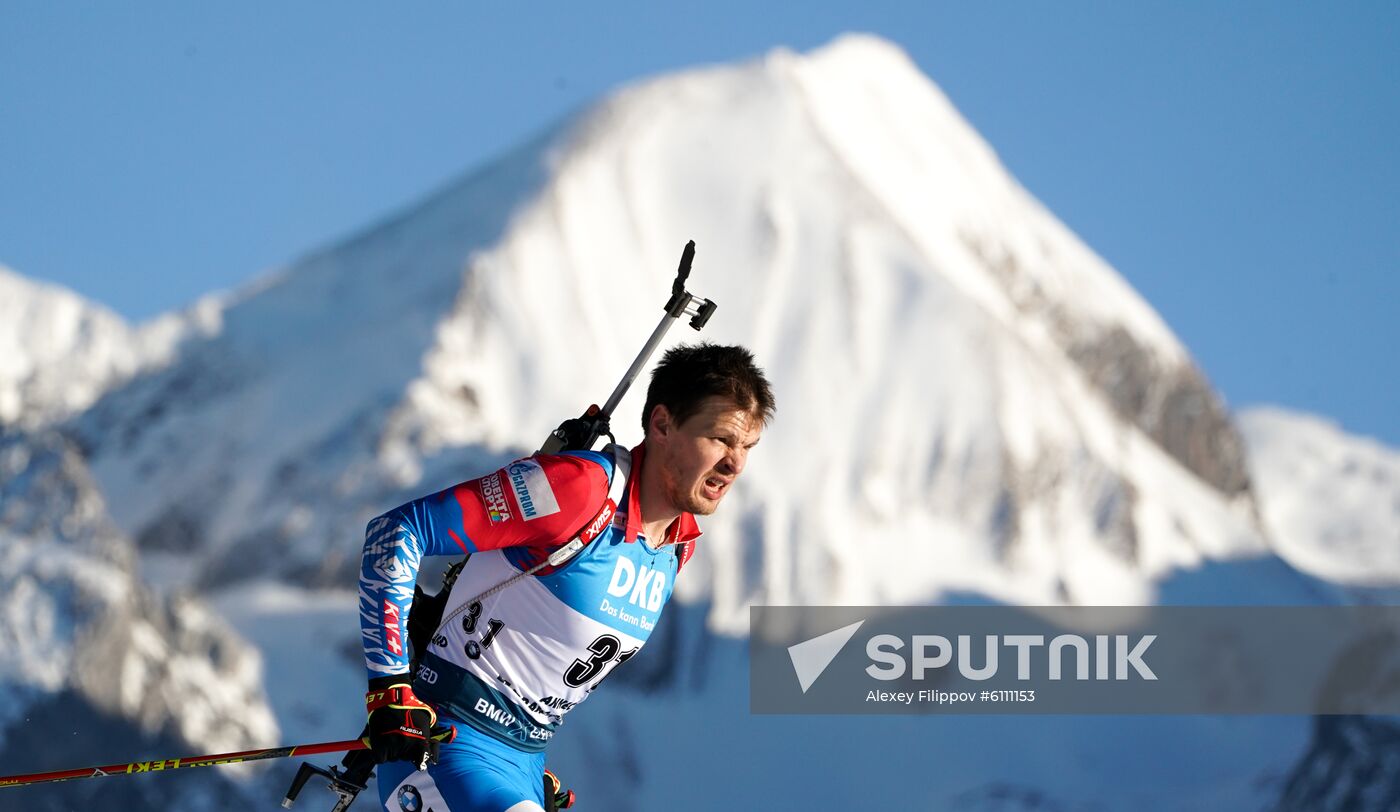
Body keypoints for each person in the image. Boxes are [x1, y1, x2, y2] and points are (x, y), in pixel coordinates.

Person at [358, 342, 774, 811]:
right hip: (444, 748)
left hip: (521, 764)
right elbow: (398, 532)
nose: (735, 463)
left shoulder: (676, 545)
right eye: (720, 439)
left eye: (747, 447)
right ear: (662, 424)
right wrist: (388, 687)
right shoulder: (581, 489)